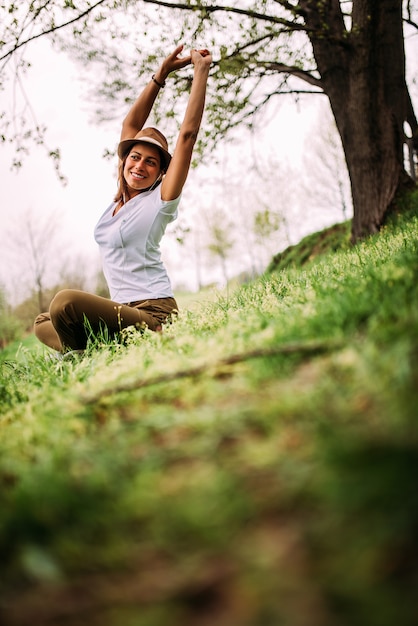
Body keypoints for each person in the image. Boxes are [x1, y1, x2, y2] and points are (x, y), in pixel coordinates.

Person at [34, 44, 211, 353]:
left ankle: (80, 356)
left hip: (153, 312)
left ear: (160, 173)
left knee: (65, 302)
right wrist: (162, 73)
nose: (140, 165)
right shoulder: (115, 204)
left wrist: (201, 71)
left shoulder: (160, 200)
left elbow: (187, 136)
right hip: (122, 313)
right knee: (42, 322)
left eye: (151, 162)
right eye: (135, 157)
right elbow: (130, 125)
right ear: (126, 159)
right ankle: (109, 346)